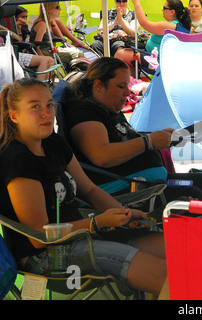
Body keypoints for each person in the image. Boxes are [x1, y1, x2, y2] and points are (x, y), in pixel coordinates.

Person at [0, 78, 167, 295]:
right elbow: (39, 236)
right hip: (47, 257)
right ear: (14, 116)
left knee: (175, 252)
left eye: (50, 105)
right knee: (161, 274)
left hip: (83, 236)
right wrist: (96, 223)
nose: (46, 113)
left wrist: (125, 215)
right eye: (35, 107)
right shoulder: (17, 160)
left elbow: (89, 189)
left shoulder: (52, 143)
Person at [62, 57, 202, 209]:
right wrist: (148, 141)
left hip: (145, 183)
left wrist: (161, 138)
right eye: (121, 86)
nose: (127, 93)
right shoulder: (84, 112)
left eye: (127, 85)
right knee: (192, 197)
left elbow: (122, 140)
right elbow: (101, 155)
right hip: (124, 190)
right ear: (98, 85)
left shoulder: (108, 108)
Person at [114, 0, 191, 76]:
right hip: (151, 56)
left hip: (154, 61)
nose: (162, 10)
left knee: (121, 55)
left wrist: (136, 3)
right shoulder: (178, 25)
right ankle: (132, 84)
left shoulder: (168, 27)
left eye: (164, 8)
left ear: (172, 12)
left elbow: (144, 23)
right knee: (126, 56)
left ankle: (131, 84)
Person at [0, 7, 56, 82]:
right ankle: (39, 87)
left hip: (15, 53)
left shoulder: (23, 27)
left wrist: (18, 29)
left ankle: (45, 86)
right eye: (23, 16)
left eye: (26, 16)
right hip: (9, 56)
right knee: (45, 60)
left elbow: (19, 39)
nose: (25, 19)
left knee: (50, 60)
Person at [30, 2, 85, 68]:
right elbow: (37, 47)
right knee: (78, 55)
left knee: (78, 52)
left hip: (50, 51)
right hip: (45, 53)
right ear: (48, 9)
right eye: (57, 7)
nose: (60, 9)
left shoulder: (50, 22)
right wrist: (44, 61)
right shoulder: (42, 24)